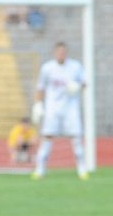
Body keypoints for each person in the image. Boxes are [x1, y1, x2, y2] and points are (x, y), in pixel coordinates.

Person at [31, 42, 88, 180]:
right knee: (47, 136)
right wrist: (38, 104)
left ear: (66, 53)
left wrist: (77, 86)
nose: (61, 54)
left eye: (63, 52)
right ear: (55, 53)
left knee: (76, 137)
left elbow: (85, 82)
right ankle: (40, 170)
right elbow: (40, 87)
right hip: (53, 108)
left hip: (70, 108)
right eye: (59, 52)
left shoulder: (75, 66)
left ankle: (82, 169)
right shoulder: (47, 68)